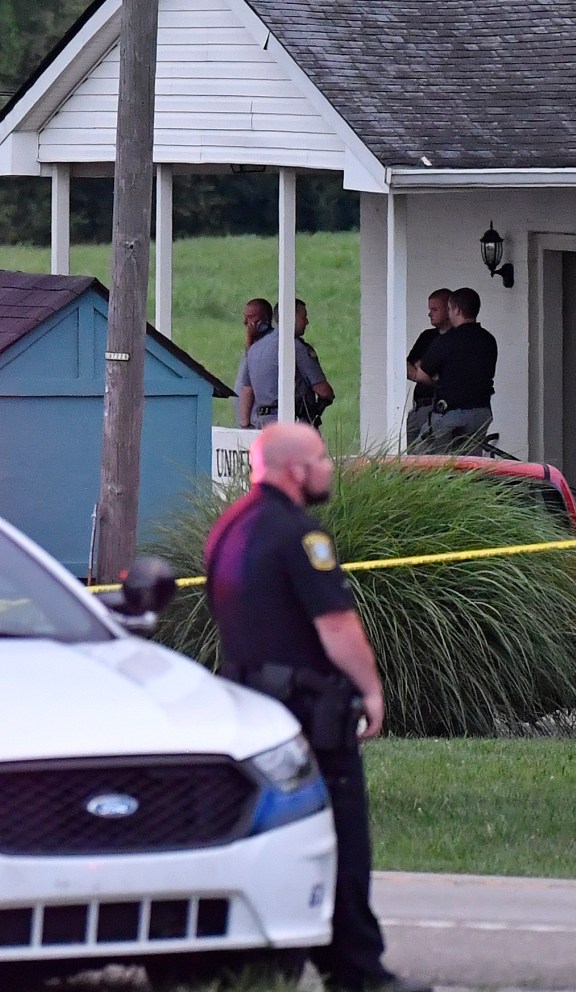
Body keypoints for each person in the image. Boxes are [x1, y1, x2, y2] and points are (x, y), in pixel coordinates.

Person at [202, 423, 426, 992]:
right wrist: (371, 690)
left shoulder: (228, 529)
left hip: (249, 711)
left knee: (262, 837)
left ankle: (246, 965)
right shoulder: (301, 536)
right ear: (295, 470)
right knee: (342, 838)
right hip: (311, 713)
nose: (330, 467)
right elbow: (336, 626)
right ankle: (356, 970)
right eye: (322, 458)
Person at [414, 287, 495, 450]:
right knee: (469, 463)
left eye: (449, 309)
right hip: (481, 413)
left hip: (451, 413)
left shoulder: (446, 341)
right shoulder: (489, 339)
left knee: (423, 459)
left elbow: (421, 375)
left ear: (457, 310)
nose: (449, 313)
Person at [236, 297, 334, 429]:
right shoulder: (296, 347)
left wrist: (245, 426)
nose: (307, 322)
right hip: (293, 424)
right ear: (291, 317)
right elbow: (323, 390)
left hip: (260, 424)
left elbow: (247, 391)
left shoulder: (254, 349)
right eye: (303, 317)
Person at [403, 289, 453, 449]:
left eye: (435, 310)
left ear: (449, 309)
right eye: (429, 309)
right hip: (418, 407)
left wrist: (422, 369)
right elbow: (407, 367)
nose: (430, 314)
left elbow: (446, 373)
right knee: (411, 458)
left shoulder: (456, 338)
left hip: (439, 408)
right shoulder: (427, 336)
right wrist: (427, 373)